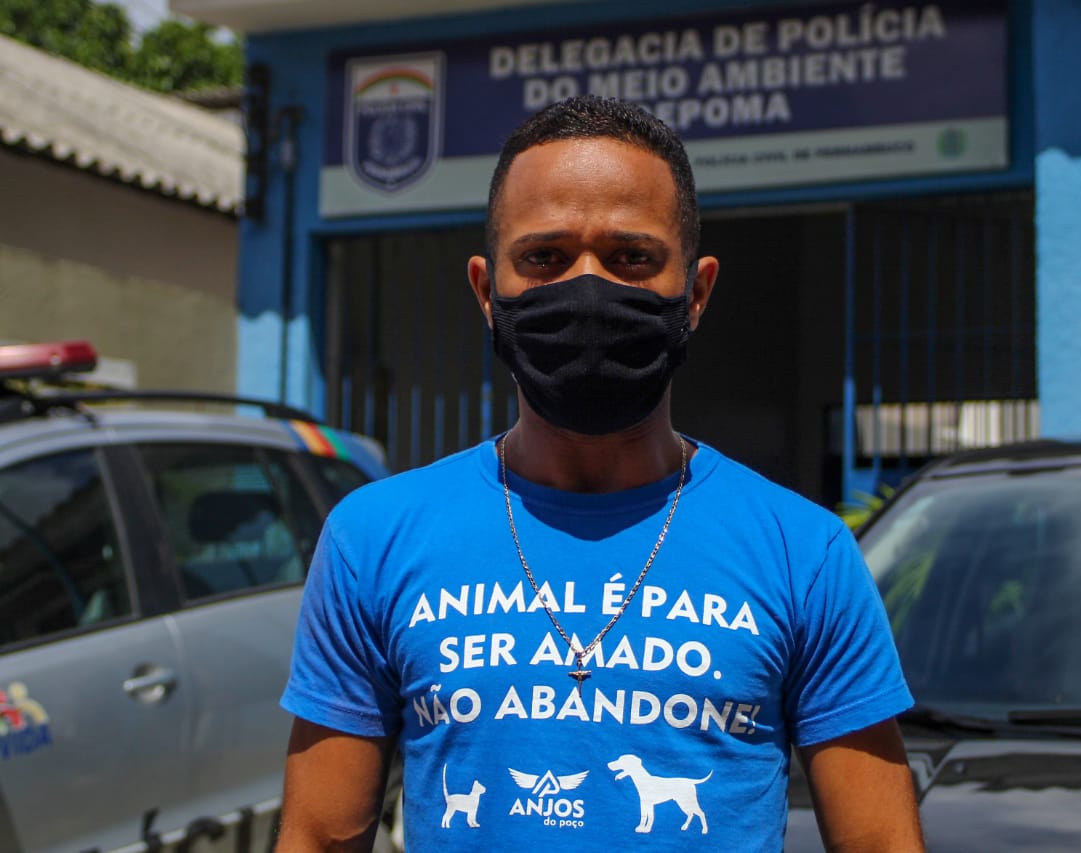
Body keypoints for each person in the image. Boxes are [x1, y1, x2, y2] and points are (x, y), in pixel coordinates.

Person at [278, 94, 923, 852]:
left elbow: (881, 842)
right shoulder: (373, 539)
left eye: (631, 258)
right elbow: (318, 836)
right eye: (545, 257)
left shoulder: (802, 553)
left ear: (698, 292)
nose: (587, 290)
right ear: (489, 292)